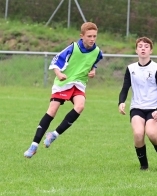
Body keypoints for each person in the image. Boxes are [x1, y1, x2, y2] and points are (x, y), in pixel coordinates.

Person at [24, 22, 103, 158]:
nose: (92, 39)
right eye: (89, 36)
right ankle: (34, 145)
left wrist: (93, 71)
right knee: (52, 111)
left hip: (78, 84)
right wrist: (59, 74)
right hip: (64, 83)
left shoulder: (97, 51)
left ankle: (53, 135)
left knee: (80, 106)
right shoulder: (73, 48)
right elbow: (55, 61)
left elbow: (94, 62)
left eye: (94, 36)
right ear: (82, 36)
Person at [118, 37, 157, 170]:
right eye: (140, 46)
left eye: (146, 46)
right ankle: (144, 166)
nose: (143, 48)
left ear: (151, 50)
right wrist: (121, 102)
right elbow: (125, 88)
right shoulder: (131, 68)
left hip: (153, 109)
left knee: (152, 133)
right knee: (138, 133)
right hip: (137, 108)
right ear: (136, 50)